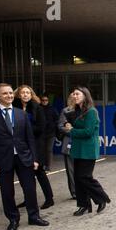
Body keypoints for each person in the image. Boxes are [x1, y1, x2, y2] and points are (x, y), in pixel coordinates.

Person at [0, 83, 49, 230]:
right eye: (5, 93)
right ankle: (13, 219)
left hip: (24, 157)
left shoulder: (21, 114)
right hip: (2, 160)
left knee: (30, 189)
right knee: (7, 192)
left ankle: (34, 216)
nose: (9, 96)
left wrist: (35, 159)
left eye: (11, 93)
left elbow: (30, 138)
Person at [64, 86, 110, 216]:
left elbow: (88, 132)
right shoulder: (76, 110)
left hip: (88, 150)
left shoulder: (91, 112)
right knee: (78, 179)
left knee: (84, 177)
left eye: (77, 94)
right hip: (77, 149)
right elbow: (68, 123)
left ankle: (101, 198)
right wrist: (70, 126)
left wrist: (71, 130)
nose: (74, 96)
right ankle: (83, 205)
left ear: (85, 95)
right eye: (73, 94)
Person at [13, 85, 55, 210]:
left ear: (31, 95)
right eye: (23, 92)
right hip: (20, 146)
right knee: (24, 175)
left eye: (28, 92)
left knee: (40, 172)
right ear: (19, 94)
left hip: (36, 145)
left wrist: (25, 130)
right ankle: (28, 199)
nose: (25, 94)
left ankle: (49, 198)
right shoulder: (14, 108)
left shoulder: (38, 108)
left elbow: (41, 127)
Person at [58, 93, 77, 200]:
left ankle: (83, 190)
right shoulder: (65, 111)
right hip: (69, 143)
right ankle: (74, 192)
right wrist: (71, 130)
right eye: (72, 97)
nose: (75, 98)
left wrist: (74, 129)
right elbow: (60, 126)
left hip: (82, 144)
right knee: (71, 170)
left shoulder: (85, 111)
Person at [40, 95, 59, 171]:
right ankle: (42, 165)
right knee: (42, 150)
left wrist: (53, 127)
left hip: (51, 133)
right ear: (41, 101)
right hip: (41, 133)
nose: (45, 101)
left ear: (48, 101)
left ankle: (48, 166)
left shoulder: (52, 109)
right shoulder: (38, 108)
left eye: (46, 100)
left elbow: (57, 120)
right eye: (43, 100)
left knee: (49, 150)